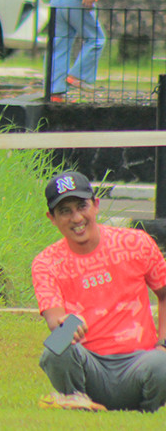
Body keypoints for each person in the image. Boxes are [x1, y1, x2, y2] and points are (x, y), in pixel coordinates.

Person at [32, 171, 166, 412]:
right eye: (65, 211)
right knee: (56, 346)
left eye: (81, 206)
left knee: (163, 362)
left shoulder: (137, 243)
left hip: (140, 362)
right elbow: (55, 323)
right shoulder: (46, 262)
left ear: (95, 205)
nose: (76, 218)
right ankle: (76, 399)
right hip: (88, 364)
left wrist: (163, 343)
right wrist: (68, 324)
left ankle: (146, 411)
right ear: (51, 218)